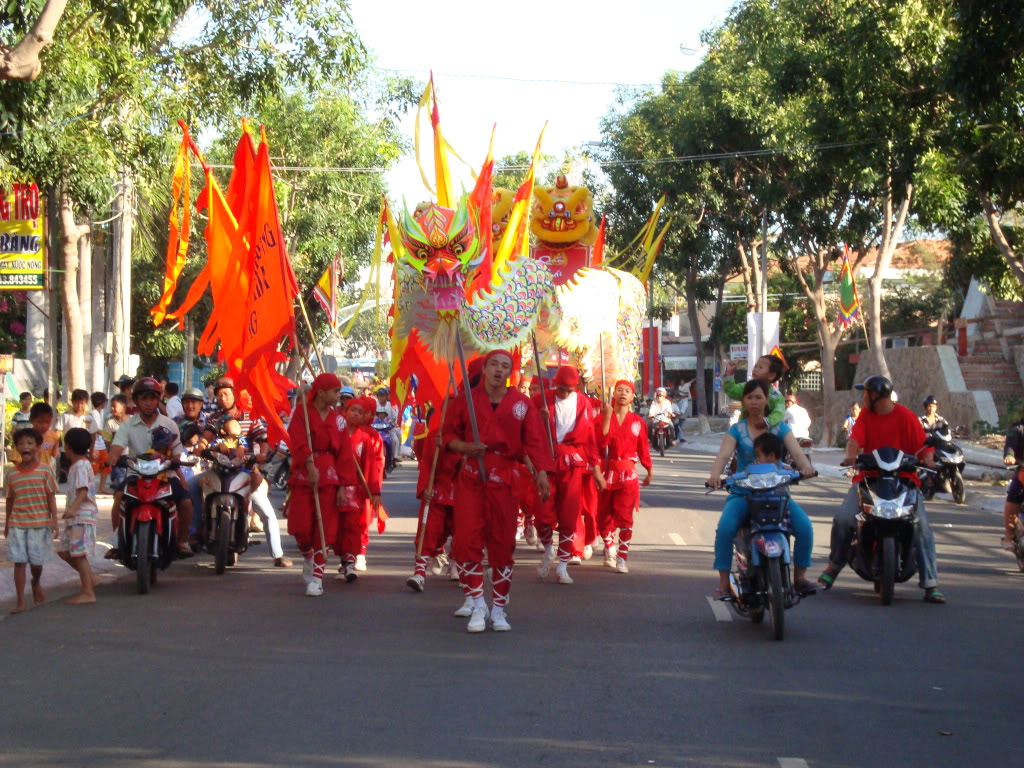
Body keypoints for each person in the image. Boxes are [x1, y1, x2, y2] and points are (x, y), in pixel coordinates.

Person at [443, 349, 553, 632]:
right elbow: (446, 437)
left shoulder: (521, 403)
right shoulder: (464, 401)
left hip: (505, 477)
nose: (499, 370)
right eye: (494, 364)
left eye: (506, 366)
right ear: (486, 367)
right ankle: (478, 604)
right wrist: (465, 447)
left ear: (510, 372)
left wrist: (541, 472)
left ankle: (500, 608)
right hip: (471, 477)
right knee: (467, 540)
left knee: (503, 543)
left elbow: (535, 442)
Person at [817, 375, 945, 603]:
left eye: (865, 394)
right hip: (868, 478)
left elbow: (922, 447)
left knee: (921, 526)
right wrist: (850, 457)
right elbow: (855, 441)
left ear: (875, 395)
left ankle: (930, 584)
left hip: (904, 480)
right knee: (845, 519)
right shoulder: (865, 416)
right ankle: (833, 567)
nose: (863, 399)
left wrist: (927, 460)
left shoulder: (907, 417)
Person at [707, 379, 816, 598]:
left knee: (805, 528)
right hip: (744, 493)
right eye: (749, 397)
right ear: (743, 401)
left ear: (767, 400)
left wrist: (806, 467)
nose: (754, 401)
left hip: (778, 493)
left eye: (758, 397)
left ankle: (800, 577)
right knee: (726, 528)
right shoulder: (736, 430)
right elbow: (724, 455)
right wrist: (714, 476)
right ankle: (722, 583)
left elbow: (796, 453)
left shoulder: (780, 427)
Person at [199, 377, 291, 568]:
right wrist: (200, 448)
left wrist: (261, 455)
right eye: (219, 395)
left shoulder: (250, 416)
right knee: (189, 492)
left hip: (245, 471)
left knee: (266, 513)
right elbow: (204, 440)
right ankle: (189, 539)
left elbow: (263, 442)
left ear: (235, 394)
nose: (222, 398)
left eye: (226, 393)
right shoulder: (213, 419)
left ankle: (277, 554)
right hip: (217, 471)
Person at [106, 377, 194, 559]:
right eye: (144, 399)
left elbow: (177, 452)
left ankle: (181, 541)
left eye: (152, 398)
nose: (148, 403)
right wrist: (113, 457)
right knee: (119, 497)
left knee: (186, 503)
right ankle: (117, 542)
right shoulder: (127, 425)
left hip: (165, 474)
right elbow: (117, 446)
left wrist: (175, 461)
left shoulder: (169, 424)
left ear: (157, 400)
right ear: (137, 400)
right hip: (136, 474)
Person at [533, 365, 604, 585]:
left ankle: (563, 565)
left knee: (569, 515)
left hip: (573, 463)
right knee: (542, 515)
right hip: (546, 461)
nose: (565, 393)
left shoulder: (582, 402)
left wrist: (597, 470)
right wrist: (539, 417)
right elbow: (527, 430)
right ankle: (548, 550)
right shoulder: (541, 400)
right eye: (562, 388)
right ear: (555, 383)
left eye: (570, 389)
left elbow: (590, 438)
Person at [286, 374, 346, 596]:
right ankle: (308, 555)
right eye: (335, 392)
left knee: (324, 529)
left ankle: (318, 578)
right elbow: (298, 441)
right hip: (304, 472)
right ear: (321, 392)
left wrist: (342, 485)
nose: (338, 397)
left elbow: (345, 454)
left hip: (329, 474)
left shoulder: (339, 419)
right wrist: (310, 466)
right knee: (300, 526)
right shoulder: (301, 412)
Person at [597, 380, 652, 573]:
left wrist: (649, 469)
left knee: (625, 516)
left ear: (632, 397)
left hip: (628, 474)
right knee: (603, 516)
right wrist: (606, 417)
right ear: (613, 394)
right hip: (606, 473)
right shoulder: (604, 416)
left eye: (627, 391)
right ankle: (609, 545)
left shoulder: (638, 422)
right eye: (619, 390)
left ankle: (622, 557)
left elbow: (643, 448)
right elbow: (600, 441)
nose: (622, 393)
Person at [4, 427, 59, 613]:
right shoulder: (11, 474)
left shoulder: (45, 471)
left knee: (36, 564)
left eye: (29, 443)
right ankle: (20, 601)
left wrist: (54, 521)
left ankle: (35, 583)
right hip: (17, 524)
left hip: (40, 524)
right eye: (20, 443)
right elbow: (10, 500)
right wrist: (6, 525)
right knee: (19, 562)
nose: (24, 446)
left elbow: (51, 497)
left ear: (38, 447)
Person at [406, 404, 457, 592]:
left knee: (460, 530)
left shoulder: (468, 436)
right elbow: (427, 462)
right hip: (437, 488)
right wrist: (426, 486)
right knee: (429, 529)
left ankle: (455, 562)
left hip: (461, 489)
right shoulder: (434, 434)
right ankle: (419, 573)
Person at [56, 427, 98, 605]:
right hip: (76, 518)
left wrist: (72, 509)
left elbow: (82, 491)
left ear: (68, 447)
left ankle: (88, 592)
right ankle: (90, 578)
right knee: (65, 551)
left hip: (81, 516)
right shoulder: (79, 465)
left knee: (79, 555)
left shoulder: (80, 465)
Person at [722, 355, 786, 426]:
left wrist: (766, 422)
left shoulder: (776, 396)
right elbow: (732, 391)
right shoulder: (746, 387)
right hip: (744, 430)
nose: (755, 369)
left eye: (760, 367)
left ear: (771, 376)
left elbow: (779, 412)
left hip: (766, 433)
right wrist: (730, 374)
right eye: (755, 366)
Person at [1001, 415, 1024, 551]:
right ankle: (1009, 536)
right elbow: (1010, 446)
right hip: (1022, 471)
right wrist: (1009, 456)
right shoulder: (1017, 429)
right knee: (1013, 498)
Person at [88, 392, 110, 494]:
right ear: (103, 403)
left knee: (105, 465)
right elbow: (96, 430)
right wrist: (107, 435)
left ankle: (101, 487)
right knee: (94, 468)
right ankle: (90, 487)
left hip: (100, 444)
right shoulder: (95, 414)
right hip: (96, 445)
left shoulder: (95, 413)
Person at [29, 402, 60, 474]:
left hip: (45, 474)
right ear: (31, 420)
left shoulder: (54, 437)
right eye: (40, 422)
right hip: (29, 474)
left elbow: (54, 455)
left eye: (47, 422)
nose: (44, 425)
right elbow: (17, 459)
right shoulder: (24, 437)